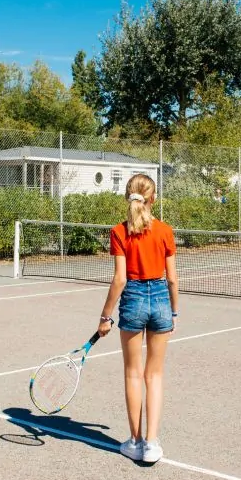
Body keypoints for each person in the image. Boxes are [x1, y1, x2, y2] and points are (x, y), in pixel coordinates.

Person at [97, 174, 179, 464]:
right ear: (153, 198)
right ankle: (152, 443)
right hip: (160, 301)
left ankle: (135, 441)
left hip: (132, 300)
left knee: (133, 373)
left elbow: (119, 279)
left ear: (127, 197)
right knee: (153, 375)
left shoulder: (119, 231)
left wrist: (105, 316)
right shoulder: (165, 231)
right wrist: (174, 311)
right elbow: (172, 279)